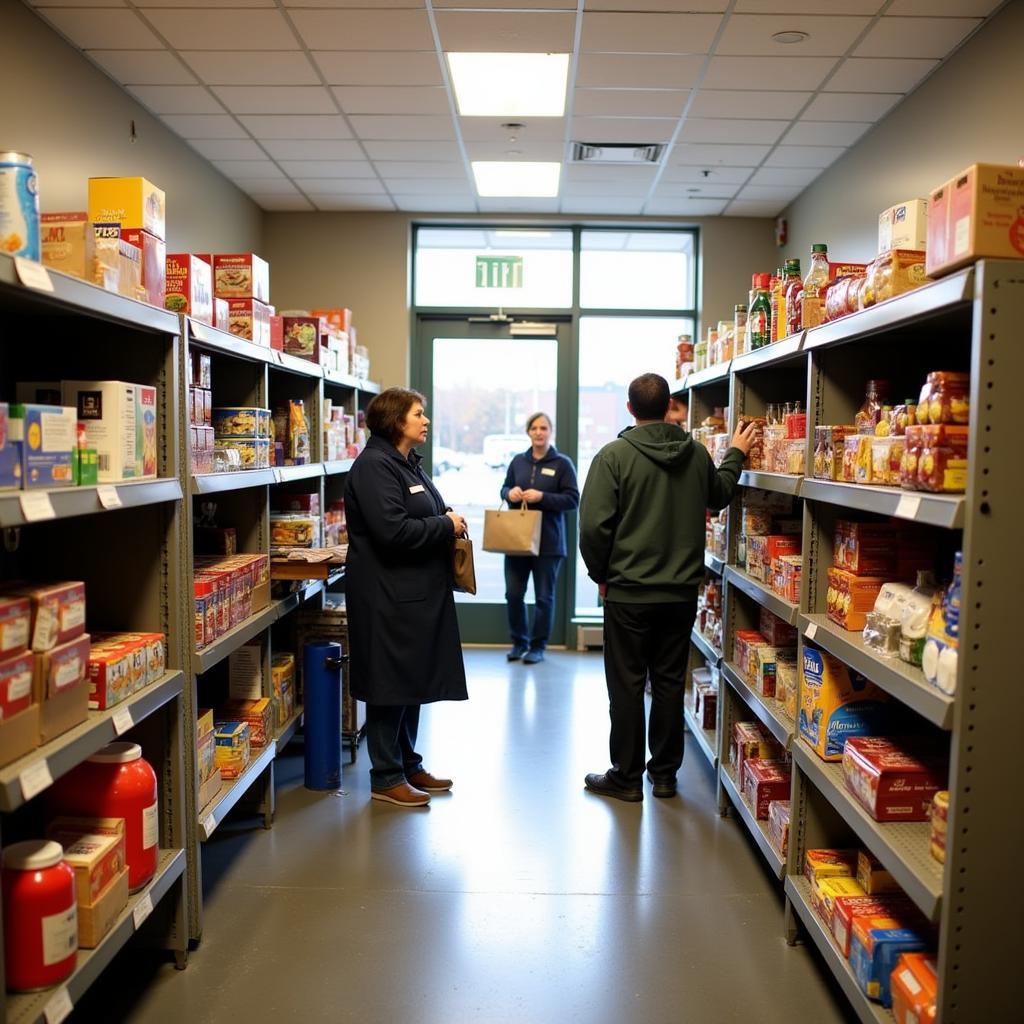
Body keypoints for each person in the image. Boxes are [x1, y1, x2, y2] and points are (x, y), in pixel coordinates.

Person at [579, 373, 756, 802]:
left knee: (626, 687)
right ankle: (663, 776)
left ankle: (625, 777)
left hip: (628, 593)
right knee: (668, 683)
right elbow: (718, 495)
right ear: (670, 408)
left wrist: (603, 574)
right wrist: (735, 452)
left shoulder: (613, 457)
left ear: (629, 408)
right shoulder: (695, 454)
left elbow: (592, 529)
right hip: (679, 595)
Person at [344, 387, 469, 808]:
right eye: (419, 414)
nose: (425, 421)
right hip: (387, 597)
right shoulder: (375, 467)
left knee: (410, 679)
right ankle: (385, 776)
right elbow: (393, 532)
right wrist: (445, 525)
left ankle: (408, 763)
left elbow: (423, 511)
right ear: (397, 420)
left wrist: (446, 518)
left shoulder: (405, 464)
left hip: (412, 595)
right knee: (390, 682)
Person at [500, 412, 580, 664]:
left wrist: (542, 497)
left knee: (544, 597)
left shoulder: (562, 464)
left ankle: (537, 647)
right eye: (534, 428)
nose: (538, 432)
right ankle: (518, 642)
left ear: (550, 431)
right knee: (513, 594)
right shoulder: (518, 462)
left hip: (549, 542)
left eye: (543, 428)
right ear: (528, 432)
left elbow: (572, 499)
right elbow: (503, 488)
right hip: (517, 540)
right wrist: (509, 493)